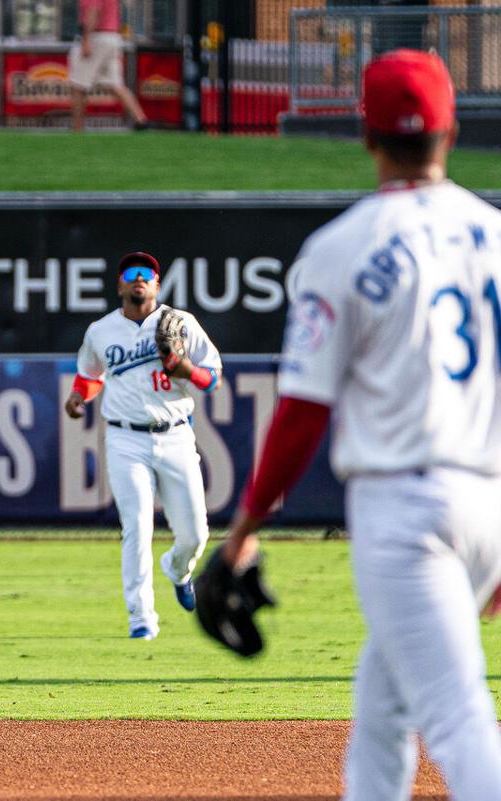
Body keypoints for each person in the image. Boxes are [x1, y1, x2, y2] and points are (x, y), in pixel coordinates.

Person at [218, 50, 501, 799]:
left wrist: (246, 526)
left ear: (364, 133)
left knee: (458, 714)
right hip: (487, 504)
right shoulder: (495, 234)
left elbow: (304, 411)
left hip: (405, 512)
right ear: (451, 129)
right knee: (382, 710)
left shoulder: (343, 245)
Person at [64, 251, 221, 639]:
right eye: (131, 274)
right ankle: (141, 616)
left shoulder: (181, 323)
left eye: (146, 274)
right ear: (120, 285)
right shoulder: (101, 331)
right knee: (136, 524)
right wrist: (78, 395)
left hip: (176, 432)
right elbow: (91, 374)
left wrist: (185, 369)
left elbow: (213, 378)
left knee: (195, 534)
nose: (139, 279)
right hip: (124, 437)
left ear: (156, 284)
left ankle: (178, 569)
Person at [68, 0, 148, 132]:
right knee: (115, 84)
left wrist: (86, 40)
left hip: (96, 37)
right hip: (112, 36)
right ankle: (141, 120)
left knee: (78, 86)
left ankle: (77, 129)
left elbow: (93, 11)